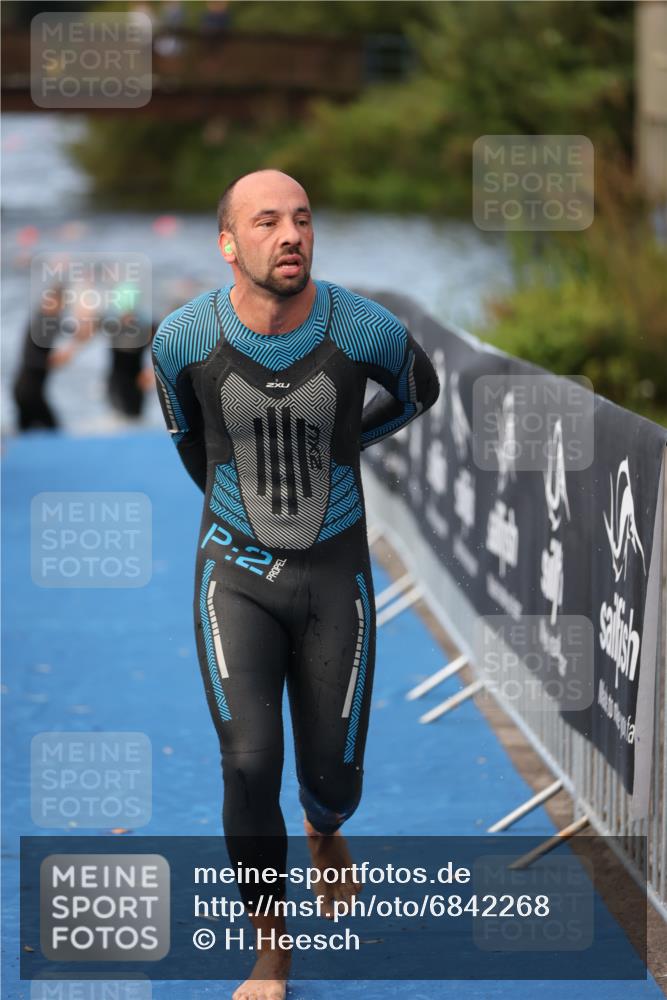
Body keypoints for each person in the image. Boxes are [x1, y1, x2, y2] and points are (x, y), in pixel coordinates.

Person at [151, 169, 440, 1000]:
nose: (290, 235)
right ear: (227, 243)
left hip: (333, 576)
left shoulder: (360, 327)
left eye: (303, 220)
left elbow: (419, 390)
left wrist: (346, 443)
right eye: (267, 221)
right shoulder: (182, 338)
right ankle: (271, 949)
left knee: (333, 779)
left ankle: (323, 827)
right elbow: (192, 443)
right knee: (247, 765)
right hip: (234, 574)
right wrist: (239, 511)